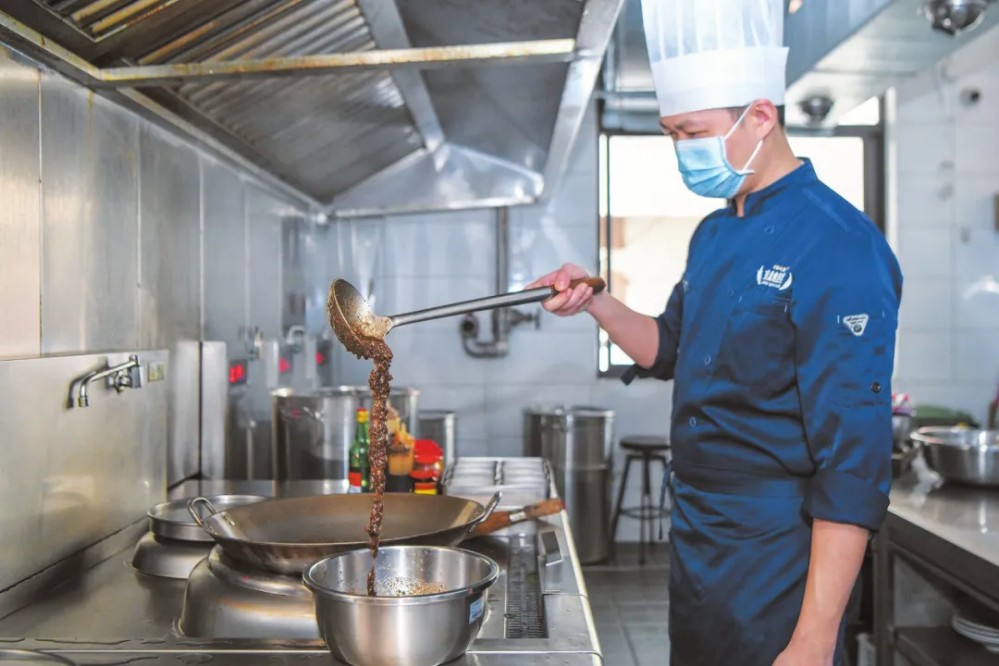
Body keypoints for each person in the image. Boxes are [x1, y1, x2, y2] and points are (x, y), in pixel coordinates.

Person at [527, 1, 903, 664]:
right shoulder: (713, 232)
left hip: (779, 545)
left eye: (692, 132)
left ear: (760, 116)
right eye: (671, 133)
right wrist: (595, 301)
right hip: (700, 535)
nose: (682, 150)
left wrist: (814, 639)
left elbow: (853, 461)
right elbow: (669, 347)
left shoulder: (840, 245)